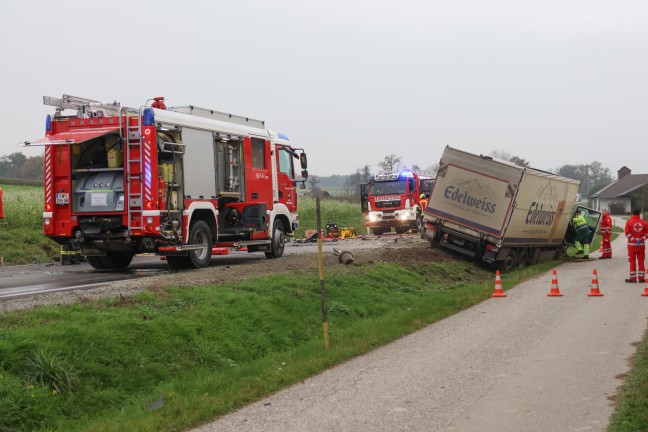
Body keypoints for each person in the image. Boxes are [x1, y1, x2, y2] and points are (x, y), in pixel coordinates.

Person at [624, 208, 648, 283]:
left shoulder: (628, 222)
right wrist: (640, 240)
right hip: (641, 246)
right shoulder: (644, 223)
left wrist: (634, 240)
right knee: (641, 261)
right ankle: (641, 278)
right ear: (639, 214)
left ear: (632, 214)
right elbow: (647, 234)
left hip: (632, 246)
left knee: (632, 262)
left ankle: (633, 279)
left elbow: (627, 233)